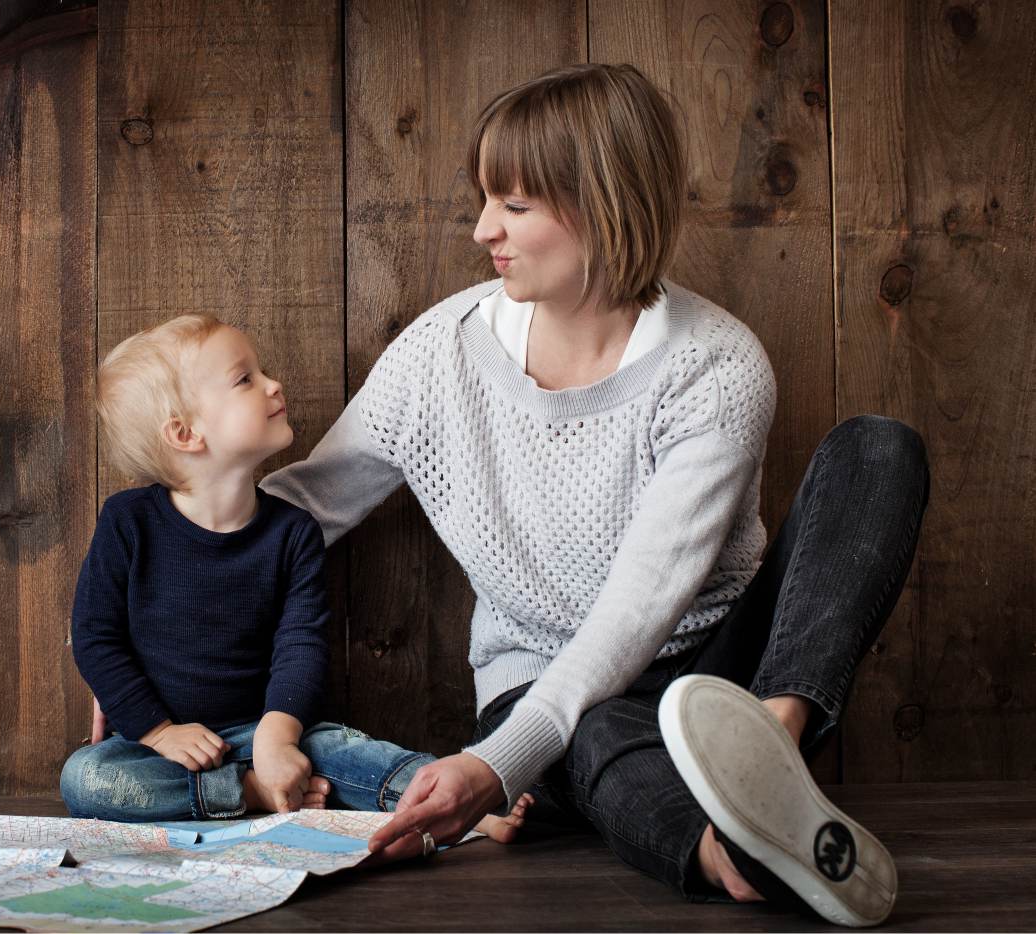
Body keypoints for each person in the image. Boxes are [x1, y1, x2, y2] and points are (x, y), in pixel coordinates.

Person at [258, 63, 927, 927]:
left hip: (723, 670)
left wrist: (497, 769)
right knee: (600, 726)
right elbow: (304, 507)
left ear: (602, 204)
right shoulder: (439, 357)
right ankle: (730, 849)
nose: (481, 230)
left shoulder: (715, 367)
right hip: (545, 690)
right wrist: (156, 602)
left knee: (878, 450)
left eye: (515, 205)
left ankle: (767, 753)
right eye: (486, 200)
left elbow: (639, 608)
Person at [60, 313, 531, 842]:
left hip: (265, 727)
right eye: (245, 379)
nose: (272, 384)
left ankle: (457, 802)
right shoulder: (129, 522)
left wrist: (278, 738)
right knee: (87, 778)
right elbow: (97, 637)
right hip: (162, 749)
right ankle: (249, 794)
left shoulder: (291, 533)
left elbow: (300, 645)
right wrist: (158, 731)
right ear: (185, 433)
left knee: (346, 752)